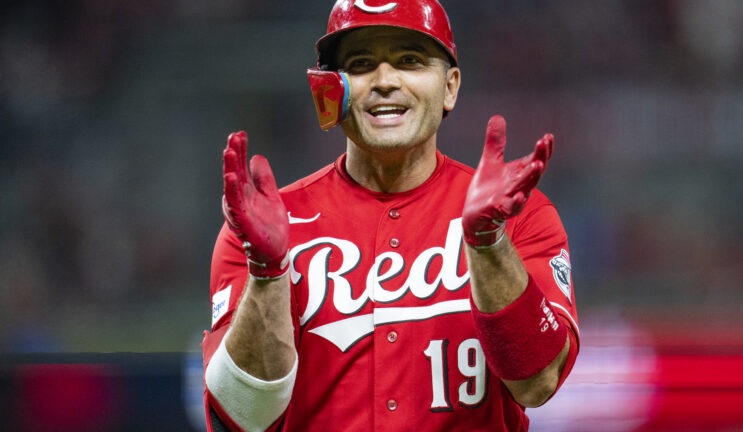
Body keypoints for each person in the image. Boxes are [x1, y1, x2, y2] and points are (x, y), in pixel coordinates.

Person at [202, 1, 580, 431]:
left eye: (409, 60)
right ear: (331, 88)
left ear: (450, 87)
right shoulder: (262, 228)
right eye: (361, 64)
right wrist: (268, 272)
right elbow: (243, 417)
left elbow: (539, 383)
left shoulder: (517, 213)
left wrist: (489, 242)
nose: (384, 81)